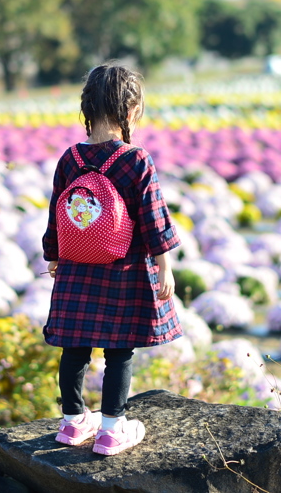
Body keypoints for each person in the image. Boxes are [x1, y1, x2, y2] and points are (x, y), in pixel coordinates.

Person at [42, 63, 181, 456]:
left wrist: (54, 256)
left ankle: (72, 423)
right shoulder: (136, 161)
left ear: (87, 107)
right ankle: (111, 428)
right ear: (132, 110)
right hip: (124, 270)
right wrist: (163, 266)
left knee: (75, 346)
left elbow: (57, 211)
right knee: (119, 350)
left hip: (76, 268)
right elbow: (153, 219)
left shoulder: (70, 159)